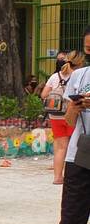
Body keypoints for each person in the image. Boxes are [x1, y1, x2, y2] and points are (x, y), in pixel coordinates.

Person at [29, 28, 90, 224]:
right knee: (70, 222)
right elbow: (67, 119)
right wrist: (76, 108)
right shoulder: (79, 77)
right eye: (88, 48)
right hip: (80, 157)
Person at [43, 53, 75, 185]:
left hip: (55, 116)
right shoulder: (76, 76)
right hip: (71, 115)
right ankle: (70, 176)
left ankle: (57, 177)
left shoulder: (53, 77)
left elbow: (43, 94)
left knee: (60, 148)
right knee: (72, 147)